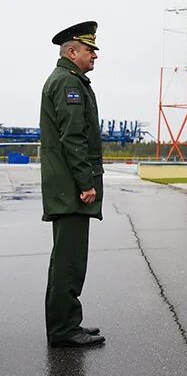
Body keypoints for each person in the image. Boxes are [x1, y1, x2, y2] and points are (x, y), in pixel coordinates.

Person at [41, 21, 105, 347]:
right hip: (71, 189)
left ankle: (67, 323)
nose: (95, 55)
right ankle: (64, 330)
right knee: (69, 261)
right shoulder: (69, 84)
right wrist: (86, 183)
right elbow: (73, 139)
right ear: (71, 51)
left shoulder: (70, 80)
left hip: (66, 188)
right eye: (89, 49)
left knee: (67, 259)